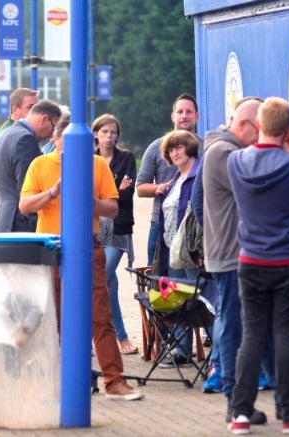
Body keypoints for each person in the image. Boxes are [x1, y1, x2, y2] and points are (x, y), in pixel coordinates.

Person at [19, 111, 144, 401]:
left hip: (89, 245)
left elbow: (112, 209)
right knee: (54, 318)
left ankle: (113, 380)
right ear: (55, 139)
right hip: (51, 247)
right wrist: (53, 192)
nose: (76, 149)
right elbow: (25, 206)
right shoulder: (40, 164)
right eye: (69, 142)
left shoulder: (97, 164)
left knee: (100, 315)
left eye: (83, 143)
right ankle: (58, 380)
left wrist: (89, 200)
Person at [227, 97, 289, 435]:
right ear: (288, 130)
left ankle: (240, 415)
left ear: (258, 126)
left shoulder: (236, 162)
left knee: (252, 336)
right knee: (286, 337)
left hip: (251, 261)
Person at [191, 97, 274, 420]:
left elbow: (200, 201)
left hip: (229, 251)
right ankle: (235, 401)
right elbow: (261, 187)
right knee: (235, 325)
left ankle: (272, 396)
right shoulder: (225, 153)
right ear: (244, 125)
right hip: (232, 254)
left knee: (249, 323)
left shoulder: (219, 150)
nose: (262, 139)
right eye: (262, 131)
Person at [155, 129, 202, 369]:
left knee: (203, 300)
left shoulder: (197, 176)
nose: (175, 152)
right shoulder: (175, 179)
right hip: (172, 249)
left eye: (179, 147)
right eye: (171, 149)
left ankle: (219, 356)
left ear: (190, 148)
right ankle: (182, 351)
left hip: (191, 251)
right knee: (179, 300)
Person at [92, 114, 138, 355]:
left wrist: (104, 196)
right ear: (96, 134)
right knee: (108, 284)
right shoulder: (89, 160)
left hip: (118, 230)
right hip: (96, 229)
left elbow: (128, 196)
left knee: (100, 276)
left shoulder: (127, 158)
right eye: (105, 132)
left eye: (113, 132)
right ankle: (120, 338)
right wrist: (114, 190)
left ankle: (95, 334)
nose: (110, 137)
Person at [136, 93, 200, 265]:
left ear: (197, 116)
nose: (184, 116)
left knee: (193, 285)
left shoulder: (206, 148)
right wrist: (159, 188)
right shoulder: (157, 147)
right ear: (173, 116)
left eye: (189, 112)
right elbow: (140, 187)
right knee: (160, 284)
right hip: (161, 224)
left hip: (195, 227)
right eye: (180, 112)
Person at [0, 100, 61, 233]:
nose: (52, 136)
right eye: (54, 128)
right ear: (44, 119)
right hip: (21, 225)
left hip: (4, 220)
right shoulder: (26, 141)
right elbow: (27, 191)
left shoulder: (5, 134)